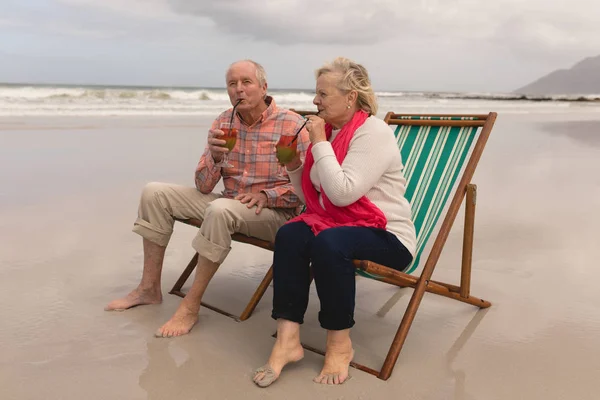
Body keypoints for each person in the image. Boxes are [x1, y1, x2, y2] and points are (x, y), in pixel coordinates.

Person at [105, 60, 310, 338]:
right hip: (227, 203)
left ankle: (190, 305)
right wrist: (214, 158)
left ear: (263, 87)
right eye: (232, 84)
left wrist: (267, 194)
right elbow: (203, 185)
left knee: (220, 208)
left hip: (277, 215)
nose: (239, 90)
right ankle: (149, 288)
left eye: (246, 82)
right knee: (155, 192)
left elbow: (309, 189)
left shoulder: (293, 125)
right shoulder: (223, 121)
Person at [253, 57, 417, 387]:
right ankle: (287, 341)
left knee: (329, 243)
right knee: (291, 234)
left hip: (387, 235)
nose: (315, 101)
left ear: (350, 97)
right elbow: (311, 195)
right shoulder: (330, 133)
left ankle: (340, 345)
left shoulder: (374, 133)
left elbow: (341, 193)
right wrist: (296, 165)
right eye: (316, 94)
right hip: (337, 225)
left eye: (323, 94)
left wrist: (319, 143)